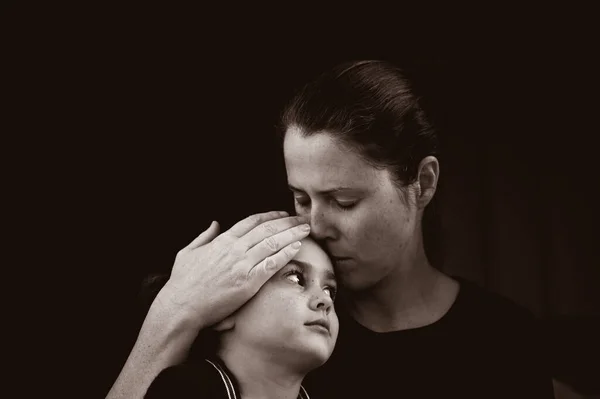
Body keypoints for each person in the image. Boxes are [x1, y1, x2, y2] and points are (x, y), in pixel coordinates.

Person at [107, 60, 555, 398]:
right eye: (301, 198)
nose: (315, 225)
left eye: (344, 201)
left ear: (423, 183)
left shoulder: (505, 341)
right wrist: (174, 310)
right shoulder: (277, 331)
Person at [144, 236, 339, 399]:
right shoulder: (184, 389)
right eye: (295, 278)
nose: (325, 301)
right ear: (223, 311)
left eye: (329, 290)